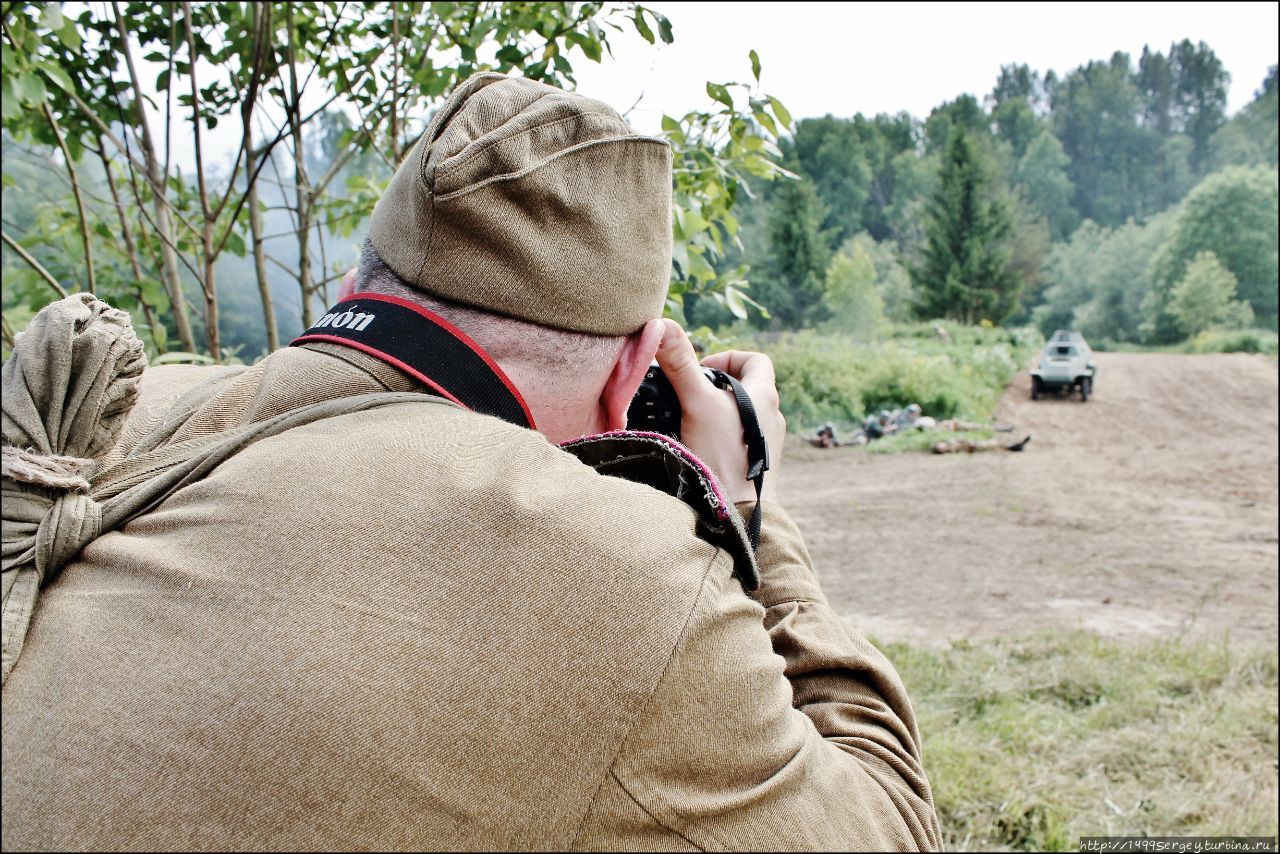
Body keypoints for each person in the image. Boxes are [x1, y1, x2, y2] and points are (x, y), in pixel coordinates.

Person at [1, 73, 940, 851]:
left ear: (350, 287)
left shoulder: (106, 405)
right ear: (631, 374)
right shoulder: (620, 578)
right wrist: (737, 501)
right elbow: (888, 826)